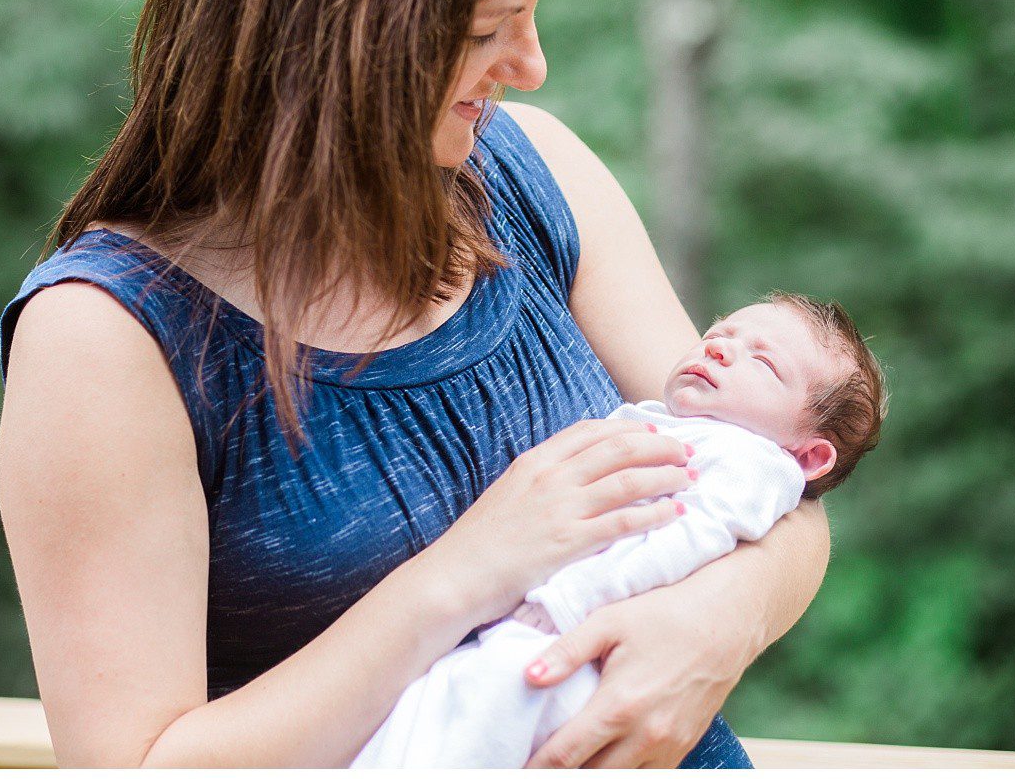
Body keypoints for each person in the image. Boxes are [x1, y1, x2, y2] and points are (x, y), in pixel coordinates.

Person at [0, 0, 830, 768]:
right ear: (339, 31)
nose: (532, 65)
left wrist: (714, 625)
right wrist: (469, 571)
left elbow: (784, 487)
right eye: (490, 29)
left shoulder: (540, 173)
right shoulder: (108, 338)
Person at [353, 294, 886, 767]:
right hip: (540, 636)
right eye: (718, 334)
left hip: (591, 647)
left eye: (764, 363)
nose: (720, 349)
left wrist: (571, 600)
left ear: (809, 455)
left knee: (481, 713)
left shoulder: (753, 462)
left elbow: (686, 539)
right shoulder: (664, 421)